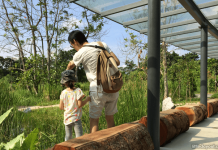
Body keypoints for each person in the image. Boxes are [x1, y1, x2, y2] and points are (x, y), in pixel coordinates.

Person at [66, 30, 120, 133]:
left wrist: (67, 71)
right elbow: (117, 61)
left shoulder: (80, 53)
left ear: (75, 41)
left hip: (97, 88)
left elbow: (71, 65)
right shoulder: (102, 44)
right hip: (113, 87)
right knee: (110, 118)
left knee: (94, 121)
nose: (73, 48)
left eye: (72, 45)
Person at [59, 70, 91, 141]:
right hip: (76, 118)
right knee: (79, 137)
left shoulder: (63, 93)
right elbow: (80, 105)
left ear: (64, 83)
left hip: (67, 118)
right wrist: (87, 99)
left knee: (68, 137)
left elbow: (61, 107)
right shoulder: (78, 91)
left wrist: (68, 108)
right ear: (74, 81)